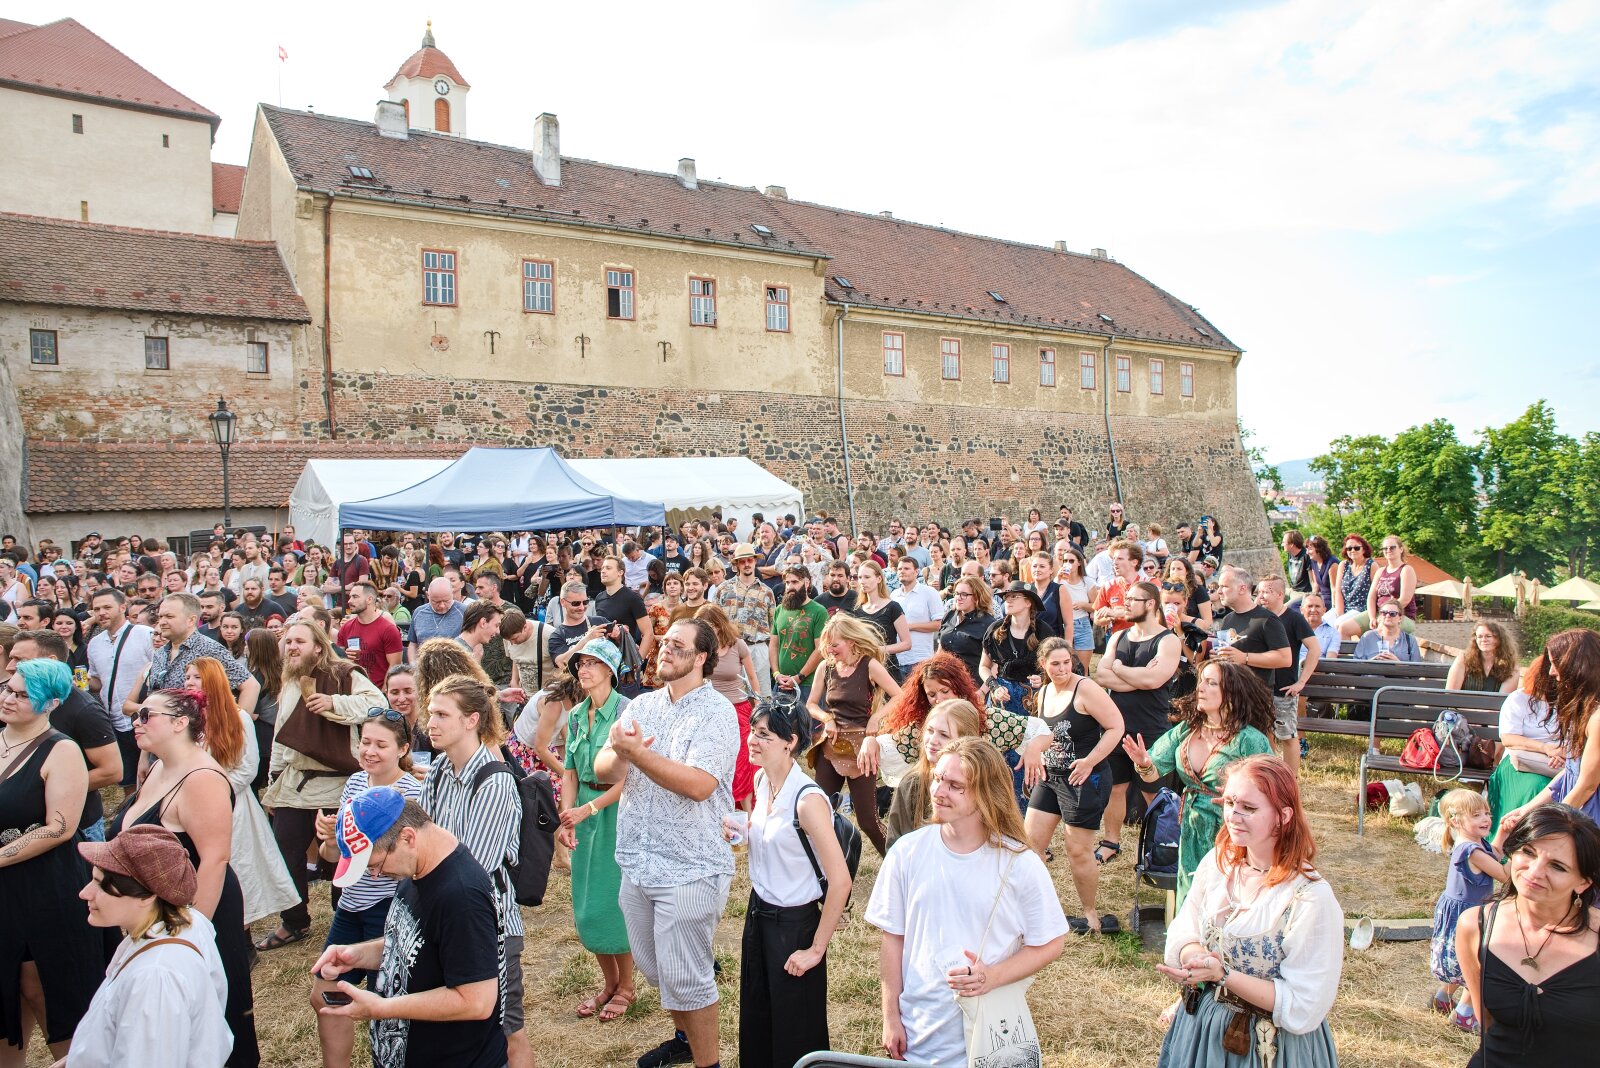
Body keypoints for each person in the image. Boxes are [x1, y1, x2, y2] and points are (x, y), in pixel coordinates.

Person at [866, 736, 1067, 1065]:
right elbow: (893, 938)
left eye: (955, 786)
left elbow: (1051, 942)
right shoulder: (907, 852)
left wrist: (992, 976)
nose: (939, 791)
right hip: (917, 1037)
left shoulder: (1019, 864)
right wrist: (891, 1017)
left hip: (988, 1037)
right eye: (938, 778)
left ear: (986, 793)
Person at [593, 618, 739, 1068]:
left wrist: (638, 753)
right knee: (659, 971)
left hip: (690, 866)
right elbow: (602, 770)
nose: (665, 649)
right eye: (664, 642)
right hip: (638, 861)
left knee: (688, 978)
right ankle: (683, 1038)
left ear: (701, 658)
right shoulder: (643, 704)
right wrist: (621, 754)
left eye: (678, 644)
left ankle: (708, 1063)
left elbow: (698, 785)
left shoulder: (717, 713)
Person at [1155, 755, 1344, 1068]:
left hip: (1269, 1047)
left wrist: (1223, 975)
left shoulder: (1309, 898)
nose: (1233, 815)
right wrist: (1197, 959)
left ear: (1283, 816)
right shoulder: (1219, 863)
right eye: (1230, 802)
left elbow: (1303, 1003)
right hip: (1203, 1029)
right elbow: (1185, 928)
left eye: (1249, 808)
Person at [109, 686, 259, 1067]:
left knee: (211, 1017)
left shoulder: (202, 778)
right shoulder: (159, 767)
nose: (136, 722)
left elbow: (215, 859)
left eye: (146, 715)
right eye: (136, 715)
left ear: (179, 723)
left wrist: (192, 935)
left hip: (195, 909)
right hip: (157, 913)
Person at [316, 791, 503, 1068]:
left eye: (375, 865)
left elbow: (476, 1001)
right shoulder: (418, 866)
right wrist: (357, 955)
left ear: (407, 837)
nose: (375, 875)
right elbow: (417, 942)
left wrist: (381, 1008)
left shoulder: (461, 897)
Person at [416, 674, 529, 1068]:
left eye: (441, 714)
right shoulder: (438, 769)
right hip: (445, 920)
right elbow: (421, 840)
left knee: (507, 1032)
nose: (430, 723)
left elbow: (472, 873)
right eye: (430, 713)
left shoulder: (495, 782)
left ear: (472, 720)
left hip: (489, 927)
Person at [736, 699, 852, 1068]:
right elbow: (774, 838)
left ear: (791, 742)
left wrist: (816, 949)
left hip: (794, 926)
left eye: (764, 735)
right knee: (757, 1016)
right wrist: (742, 831)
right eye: (753, 731)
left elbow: (841, 881)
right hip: (758, 914)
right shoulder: (762, 780)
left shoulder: (807, 800)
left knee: (795, 1030)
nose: (752, 741)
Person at [259, 621, 382, 953]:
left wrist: (334, 703)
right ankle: (294, 920)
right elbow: (281, 737)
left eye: (299, 641)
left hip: (339, 782)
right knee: (285, 852)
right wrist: (273, 782)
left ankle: (345, 918)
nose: (291, 647)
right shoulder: (289, 682)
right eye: (288, 641)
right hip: (296, 783)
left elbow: (377, 706)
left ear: (318, 646)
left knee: (345, 853)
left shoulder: (344, 674)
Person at [0, 659, 100, 1066]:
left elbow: (59, 827)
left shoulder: (62, 750)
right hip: (4, 891)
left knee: (44, 987)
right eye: (8, 688)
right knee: (6, 992)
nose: (8, 698)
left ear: (51, 703)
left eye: (23, 695)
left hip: (44, 886)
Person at [311, 710, 422, 1068]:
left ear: (402, 749)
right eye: (365, 742)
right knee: (325, 994)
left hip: (388, 908)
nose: (370, 751)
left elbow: (413, 863)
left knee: (387, 1006)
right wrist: (330, 840)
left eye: (381, 745)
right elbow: (334, 857)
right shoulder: (356, 783)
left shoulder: (412, 793)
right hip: (350, 905)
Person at [72, 824, 232, 1066]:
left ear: (147, 896)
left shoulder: (154, 977)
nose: (85, 893)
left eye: (100, 884)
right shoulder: (189, 921)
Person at [1458, 803, 1600, 1065]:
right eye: (1528, 852)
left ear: (1583, 882)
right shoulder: (1475, 925)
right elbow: (1487, 1022)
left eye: (1557, 866)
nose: (1534, 872)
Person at [1122, 661, 1275, 903]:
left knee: (1226, 894)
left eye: (1211, 683)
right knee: (1191, 892)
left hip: (1231, 828)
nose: (1200, 688)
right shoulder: (1187, 730)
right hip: (1191, 827)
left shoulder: (1249, 740)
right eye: (1201, 681)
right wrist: (1143, 762)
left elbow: (1273, 790)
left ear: (1232, 693)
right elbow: (1152, 773)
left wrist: (1240, 796)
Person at [185, 658, 298, 930]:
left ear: (213, 682)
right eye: (187, 677)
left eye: (196, 677)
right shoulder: (188, 721)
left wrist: (212, 792)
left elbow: (247, 769)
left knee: (238, 867)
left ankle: (241, 934)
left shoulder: (238, 718)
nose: (189, 682)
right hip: (194, 809)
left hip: (232, 807)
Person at [555, 640, 635, 1024]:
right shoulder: (575, 715)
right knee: (588, 901)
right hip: (584, 810)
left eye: (592, 663)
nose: (583, 670)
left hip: (616, 811)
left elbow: (631, 778)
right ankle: (609, 983)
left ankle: (627, 988)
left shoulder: (626, 711)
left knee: (615, 900)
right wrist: (566, 816)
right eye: (580, 664)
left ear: (610, 671)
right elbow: (569, 771)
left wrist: (588, 809)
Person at [1027, 637, 1125, 933]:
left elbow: (1116, 726)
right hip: (1050, 777)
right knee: (1029, 847)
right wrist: (1038, 754)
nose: (1062, 669)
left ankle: (1090, 915)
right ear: (1043, 665)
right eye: (1055, 664)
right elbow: (1046, 733)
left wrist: (1089, 761)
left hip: (1083, 779)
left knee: (1077, 850)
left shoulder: (1086, 689)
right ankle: (1040, 908)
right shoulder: (1044, 691)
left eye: (1066, 662)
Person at [1095, 580, 1182, 863]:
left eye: (1133, 599)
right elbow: (1102, 676)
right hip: (1116, 726)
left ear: (1151, 604)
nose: (1126, 604)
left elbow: (1154, 680)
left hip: (1151, 727)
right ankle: (1110, 842)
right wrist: (1139, 677)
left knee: (1152, 791)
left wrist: (1119, 668)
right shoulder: (1118, 637)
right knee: (1115, 787)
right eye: (1127, 598)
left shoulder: (1168, 640)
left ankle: (1160, 847)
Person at [807, 614, 902, 857]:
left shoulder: (869, 665)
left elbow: (899, 696)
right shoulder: (826, 667)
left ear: (851, 641)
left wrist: (875, 718)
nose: (830, 649)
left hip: (862, 749)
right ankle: (824, 863)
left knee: (868, 820)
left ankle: (896, 862)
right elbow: (811, 704)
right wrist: (827, 718)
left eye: (835, 644)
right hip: (831, 746)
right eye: (827, 645)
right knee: (821, 811)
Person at [1429, 789, 1509, 1031]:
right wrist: (1526, 857)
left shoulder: (1475, 843)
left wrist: (1503, 832)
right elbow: (1504, 874)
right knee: (1476, 962)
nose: (1485, 819)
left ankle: (1443, 997)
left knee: (1461, 957)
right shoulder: (1470, 851)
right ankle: (1464, 1013)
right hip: (1470, 914)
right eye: (1476, 815)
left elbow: (1495, 853)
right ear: (1455, 821)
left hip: (1465, 909)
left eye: (1487, 813)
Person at [1504, 629, 1600, 825]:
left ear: (1576, 664)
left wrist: (1556, 824)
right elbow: (1571, 772)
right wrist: (1527, 809)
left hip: (1589, 816)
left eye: (1555, 663)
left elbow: (1588, 785)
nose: (1551, 672)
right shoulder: (1584, 709)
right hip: (1575, 809)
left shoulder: (1597, 718)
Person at [885, 698, 984, 847]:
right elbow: (896, 844)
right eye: (930, 731)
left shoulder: (984, 783)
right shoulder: (912, 784)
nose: (932, 740)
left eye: (944, 735)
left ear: (965, 740)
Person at [1486, 651, 1564, 826]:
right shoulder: (1519, 699)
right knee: (1538, 786)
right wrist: (1545, 748)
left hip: (1557, 763)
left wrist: (1560, 753)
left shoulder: (1567, 702)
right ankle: (1515, 833)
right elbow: (1508, 738)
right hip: (1518, 761)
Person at [696, 605, 760, 809]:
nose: (708, 631)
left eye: (711, 626)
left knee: (742, 762)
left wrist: (757, 705)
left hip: (738, 708)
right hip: (709, 710)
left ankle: (747, 813)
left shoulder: (738, 645)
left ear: (720, 625)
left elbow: (752, 677)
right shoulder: (700, 648)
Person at [1257, 575, 1319, 777]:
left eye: (1266, 592)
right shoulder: (1258, 616)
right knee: (1265, 734)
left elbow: (1314, 648)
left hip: (1284, 688)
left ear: (1280, 594)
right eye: (1259, 592)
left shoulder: (1294, 618)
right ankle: (1270, 776)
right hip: (1260, 687)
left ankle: (1290, 780)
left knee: (1288, 736)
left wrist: (1301, 682)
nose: (1261, 596)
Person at [1209, 566, 1292, 691]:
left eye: (1224, 586)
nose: (1219, 592)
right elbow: (1229, 654)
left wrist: (1245, 658)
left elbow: (1285, 659)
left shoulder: (1267, 619)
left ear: (1242, 589)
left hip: (1256, 694)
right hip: (1229, 691)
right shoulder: (1227, 619)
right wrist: (1218, 656)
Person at [980, 581, 1052, 714]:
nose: (1008, 600)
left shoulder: (1043, 631)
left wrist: (1043, 678)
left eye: (1014, 596)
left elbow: (1055, 665)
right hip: (1002, 699)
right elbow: (983, 667)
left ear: (1028, 602)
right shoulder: (995, 630)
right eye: (1006, 597)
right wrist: (994, 687)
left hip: (1035, 700)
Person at [771, 565, 828, 707]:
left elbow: (820, 649)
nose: (790, 586)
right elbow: (773, 645)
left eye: (795, 582)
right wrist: (776, 674)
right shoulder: (779, 610)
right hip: (781, 685)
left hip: (808, 685)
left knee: (808, 722)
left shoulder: (819, 611)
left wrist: (799, 677)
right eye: (787, 582)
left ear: (806, 583)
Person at [848, 560, 910, 681]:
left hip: (888, 670)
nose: (862, 581)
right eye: (860, 577)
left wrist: (878, 649)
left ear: (879, 579)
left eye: (867, 577)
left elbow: (907, 643)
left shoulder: (893, 607)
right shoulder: (856, 610)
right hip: (864, 672)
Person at [337, 582, 404, 686]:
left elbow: (395, 667)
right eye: (350, 597)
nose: (349, 601)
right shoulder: (346, 628)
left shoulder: (388, 629)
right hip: (353, 691)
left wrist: (383, 692)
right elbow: (337, 662)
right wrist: (345, 657)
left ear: (369, 599)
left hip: (378, 691)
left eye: (355, 597)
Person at [890, 557, 943, 678]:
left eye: (906, 568)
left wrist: (908, 627)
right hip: (897, 659)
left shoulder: (929, 593)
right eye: (899, 569)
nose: (902, 571)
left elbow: (938, 625)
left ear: (916, 572)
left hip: (920, 659)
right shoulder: (893, 595)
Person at [934, 575, 992, 686]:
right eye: (956, 593)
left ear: (977, 597)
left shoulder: (988, 623)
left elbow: (993, 665)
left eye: (964, 594)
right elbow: (940, 651)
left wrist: (982, 692)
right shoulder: (949, 615)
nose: (958, 598)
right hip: (946, 682)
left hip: (972, 684)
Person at [1447, 621, 1520, 693]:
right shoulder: (1463, 660)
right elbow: (1450, 694)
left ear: (1499, 639)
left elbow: (1502, 698)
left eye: (1488, 636)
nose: (1483, 640)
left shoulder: (1511, 666)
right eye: (1480, 636)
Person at [1330, 534, 1376, 637]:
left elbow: (1375, 592)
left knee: (1338, 624)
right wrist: (1340, 613)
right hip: (1345, 606)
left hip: (1362, 608)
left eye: (1356, 548)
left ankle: (1344, 647)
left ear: (1364, 549)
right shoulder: (1344, 565)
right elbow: (1338, 591)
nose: (1352, 550)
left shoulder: (1371, 565)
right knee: (1323, 622)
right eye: (1349, 548)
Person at [1351, 600, 1421, 661]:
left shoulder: (1409, 640)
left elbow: (1416, 669)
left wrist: (1398, 663)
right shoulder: (1368, 637)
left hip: (1398, 673)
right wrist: (1373, 661)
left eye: (1392, 614)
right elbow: (1356, 664)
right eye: (1384, 613)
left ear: (1400, 618)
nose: (1387, 616)